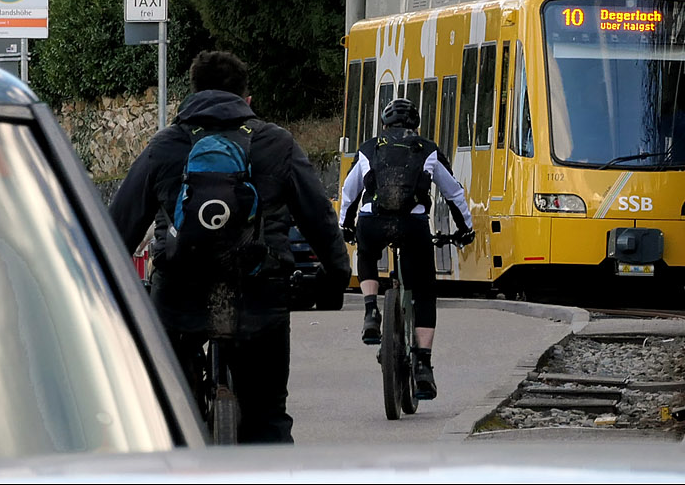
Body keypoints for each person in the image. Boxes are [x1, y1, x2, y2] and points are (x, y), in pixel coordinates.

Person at [109, 50, 350, 444]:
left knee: (167, 419)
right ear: (246, 99)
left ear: (191, 95)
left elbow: (118, 225)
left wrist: (108, 290)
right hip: (259, 297)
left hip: (179, 298)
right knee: (268, 419)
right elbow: (319, 218)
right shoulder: (276, 143)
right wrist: (334, 278)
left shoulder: (165, 145)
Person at [340, 97, 473, 401]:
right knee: (424, 290)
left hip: (373, 221)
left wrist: (346, 226)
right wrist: (465, 229)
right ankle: (423, 366)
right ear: (416, 126)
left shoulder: (368, 148)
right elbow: (453, 193)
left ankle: (371, 311)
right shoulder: (427, 149)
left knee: (367, 253)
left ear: (384, 125)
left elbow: (349, 193)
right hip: (412, 225)